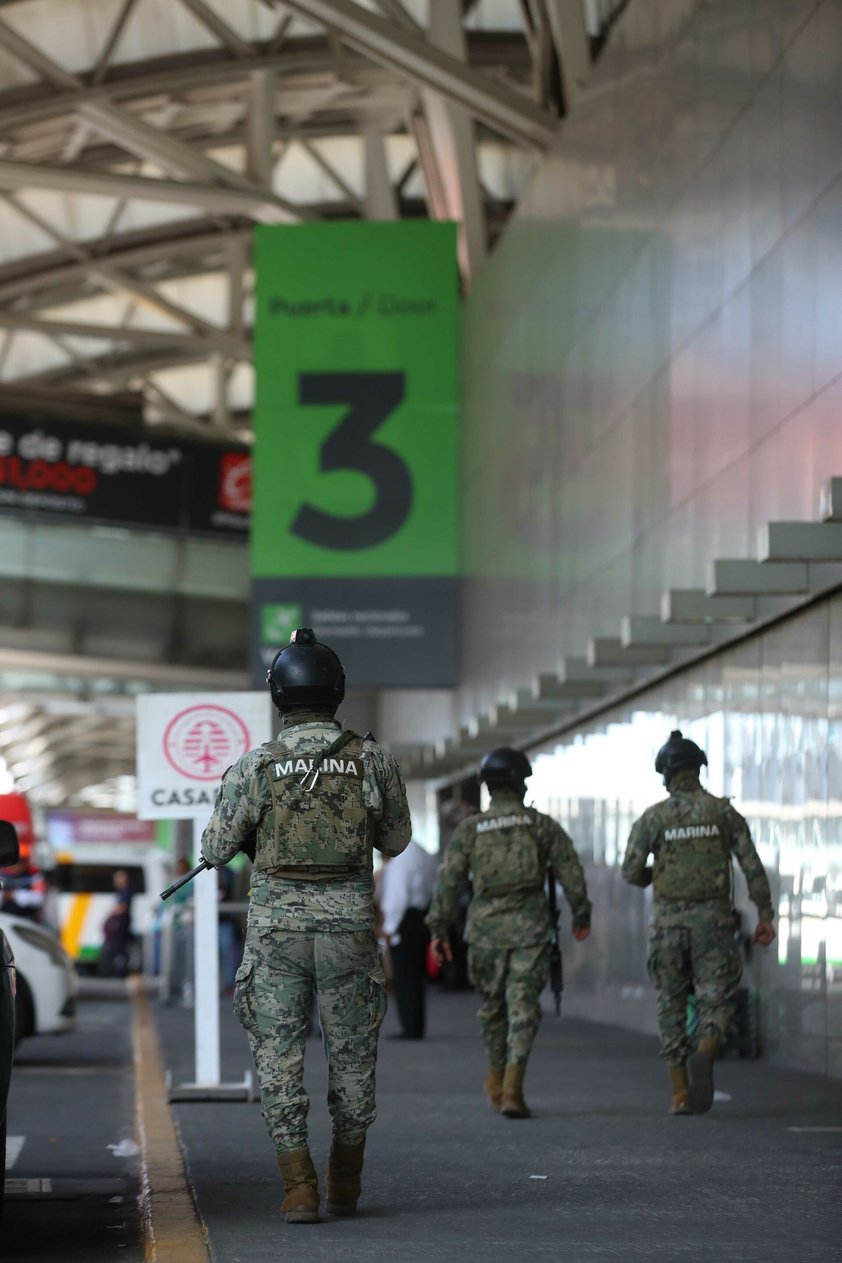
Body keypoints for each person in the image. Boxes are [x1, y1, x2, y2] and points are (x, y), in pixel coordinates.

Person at [200, 628, 411, 1225]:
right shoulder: (373, 759)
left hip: (275, 936)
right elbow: (396, 841)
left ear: (277, 694)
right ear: (337, 690)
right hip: (348, 928)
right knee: (352, 1057)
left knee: (279, 1056)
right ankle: (346, 1183)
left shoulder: (256, 765)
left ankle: (299, 1190)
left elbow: (215, 847)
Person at [426, 746, 592, 1119]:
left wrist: (438, 928)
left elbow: (449, 882)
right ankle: (512, 1086)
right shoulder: (541, 825)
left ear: (487, 787)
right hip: (530, 928)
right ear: (521, 783)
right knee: (523, 1007)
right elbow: (571, 873)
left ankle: (498, 1076)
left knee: (493, 1008)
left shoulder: (470, 829)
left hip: (483, 931)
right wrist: (582, 913)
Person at [621, 729, 776, 1116]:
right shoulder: (722, 813)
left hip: (668, 928)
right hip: (714, 925)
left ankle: (678, 1093)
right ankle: (705, 1052)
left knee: (670, 1006)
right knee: (717, 999)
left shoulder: (653, 818)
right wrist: (765, 916)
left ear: (665, 774)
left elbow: (630, 870)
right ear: (698, 769)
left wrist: (659, 873)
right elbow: (751, 865)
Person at [380, 840, 439, 1039]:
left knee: (405, 976)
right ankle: (415, 1025)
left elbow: (398, 896)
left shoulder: (401, 858)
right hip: (420, 916)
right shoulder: (422, 853)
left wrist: (389, 927)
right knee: (416, 976)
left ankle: (409, 1027)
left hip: (404, 920)